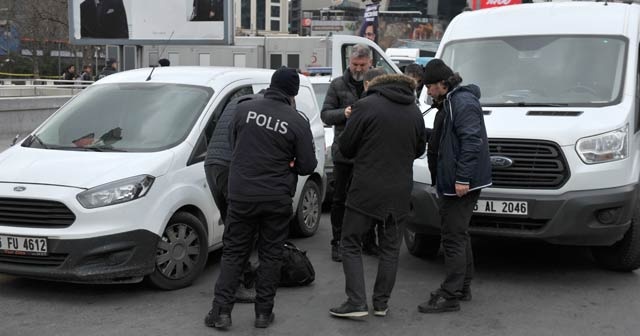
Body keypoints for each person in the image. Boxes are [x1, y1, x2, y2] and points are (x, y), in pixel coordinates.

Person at [205, 67, 317, 330]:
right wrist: (287, 163)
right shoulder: (297, 121)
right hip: (276, 197)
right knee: (271, 255)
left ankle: (221, 313)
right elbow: (307, 165)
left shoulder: (244, 111)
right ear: (294, 93)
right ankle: (263, 314)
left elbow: (234, 146)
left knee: (233, 253)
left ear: (271, 85)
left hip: (242, 194)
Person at [329, 68, 426, 318]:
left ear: (371, 84)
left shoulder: (365, 106)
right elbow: (418, 149)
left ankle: (356, 302)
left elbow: (347, 147)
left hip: (366, 189)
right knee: (390, 248)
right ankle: (381, 303)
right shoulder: (414, 110)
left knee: (350, 242)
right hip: (400, 190)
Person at [417, 59, 492, 314]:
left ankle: (450, 295)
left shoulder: (462, 103)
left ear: (443, 83)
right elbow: (448, 138)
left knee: (452, 238)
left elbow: (472, 142)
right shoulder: (450, 102)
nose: (427, 91)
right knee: (459, 234)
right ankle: (463, 287)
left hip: (459, 184)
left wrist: (462, 179)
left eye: (429, 86)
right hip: (452, 181)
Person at [204, 89, 264, 304]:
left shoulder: (237, 101)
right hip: (232, 167)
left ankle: (244, 274)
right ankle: (236, 285)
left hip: (212, 164)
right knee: (243, 230)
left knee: (233, 225)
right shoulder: (262, 109)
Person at [321, 44, 379, 262]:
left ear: (370, 63)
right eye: (355, 64)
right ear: (349, 62)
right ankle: (338, 243)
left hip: (368, 154)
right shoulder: (337, 85)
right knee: (340, 200)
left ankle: (368, 240)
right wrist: (343, 113)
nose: (358, 68)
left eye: (362, 65)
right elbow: (325, 114)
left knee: (369, 200)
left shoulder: (376, 84)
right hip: (344, 154)